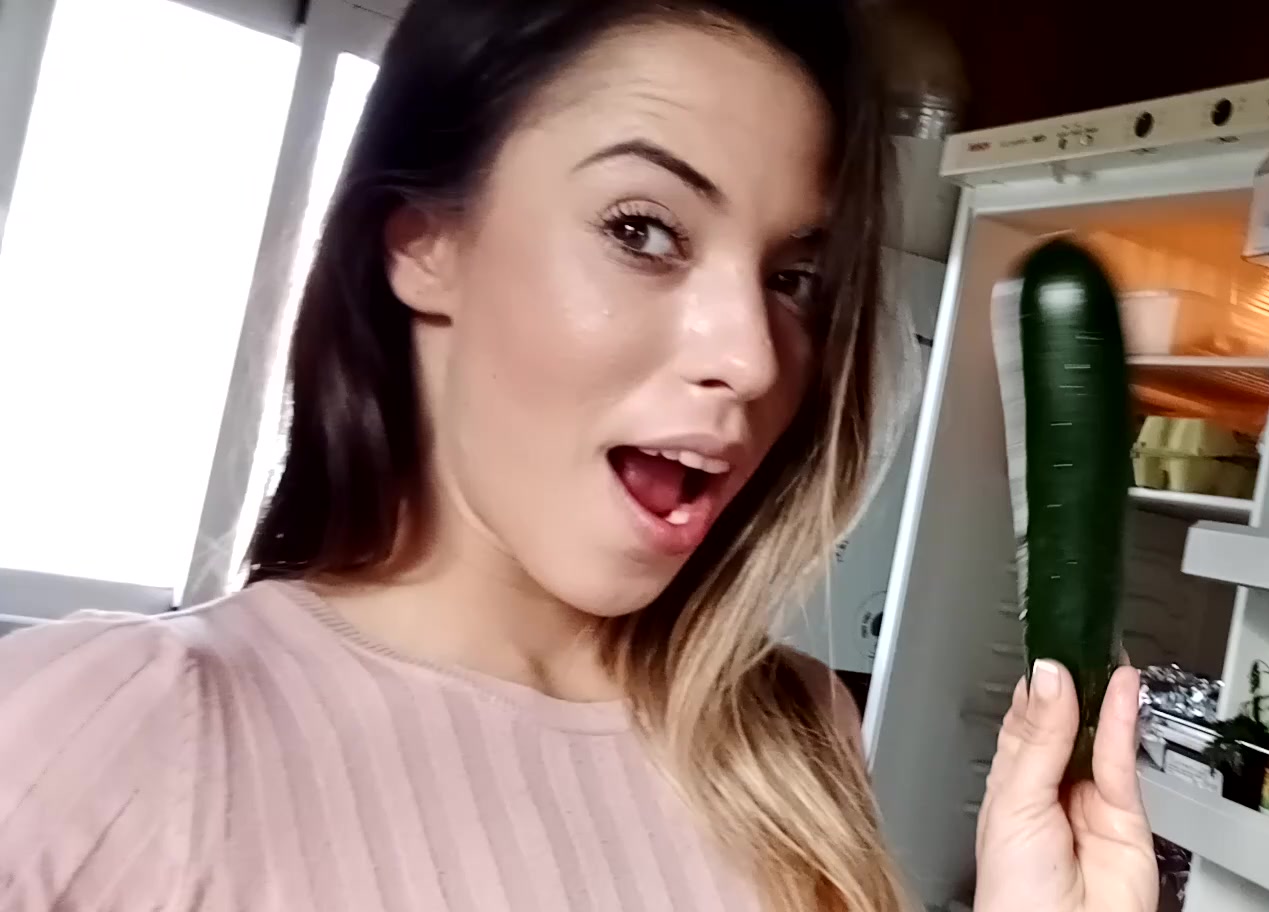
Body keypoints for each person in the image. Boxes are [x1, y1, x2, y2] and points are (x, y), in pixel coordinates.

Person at [0, 0, 1155, 910]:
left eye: (793, 277)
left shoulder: (791, 738)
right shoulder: (102, 739)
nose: (753, 356)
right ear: (426, 244)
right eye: (642, 231)